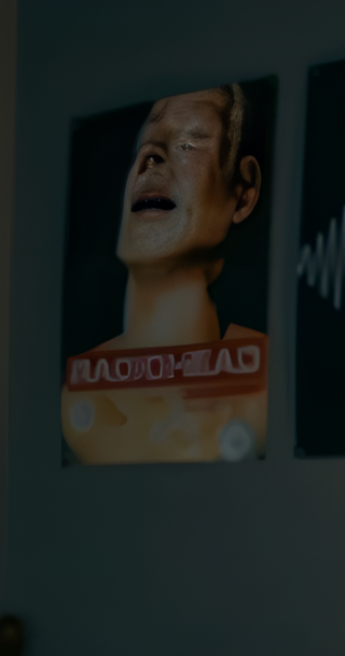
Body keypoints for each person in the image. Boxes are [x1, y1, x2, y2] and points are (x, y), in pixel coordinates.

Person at [62, 83, 266, 464]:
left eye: (187, 143)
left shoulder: (265, 387)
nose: (150, 156)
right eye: (145, 143)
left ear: (243, 193)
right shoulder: (78, 396)